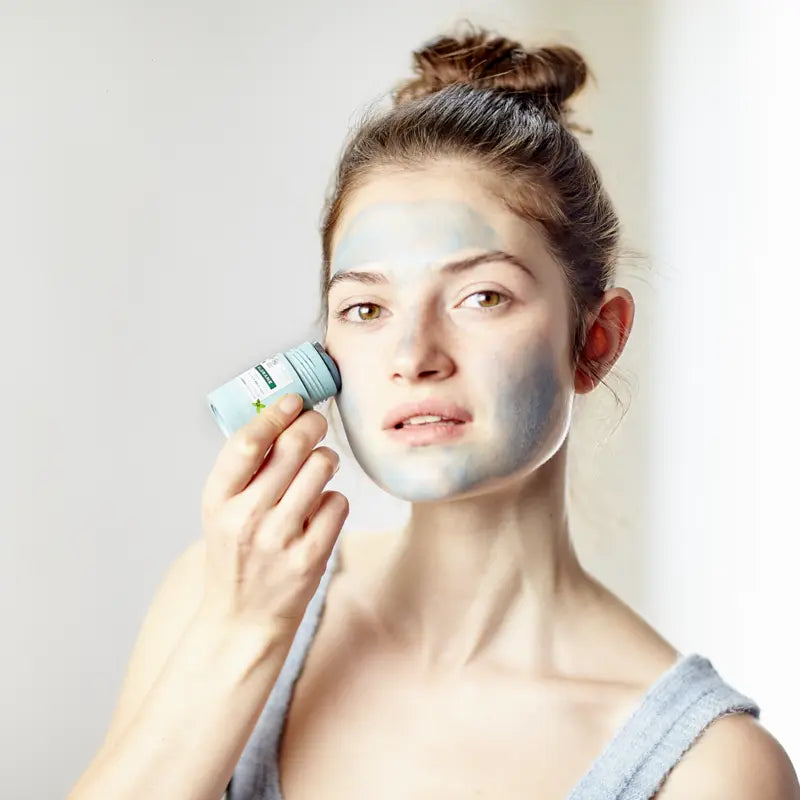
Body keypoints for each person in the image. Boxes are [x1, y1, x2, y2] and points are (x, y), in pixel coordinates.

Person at [69, 24, 799, 800]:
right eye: (366, 308)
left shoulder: (709, 770)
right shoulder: (216, 597)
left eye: (481, 296)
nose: (414, 355)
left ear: (596, 339)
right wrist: (244, 633)